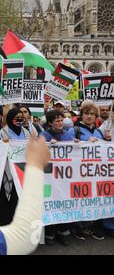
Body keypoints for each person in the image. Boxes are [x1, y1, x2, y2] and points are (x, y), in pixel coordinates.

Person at [66, 100, 106, 241]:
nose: (89, 116)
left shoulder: (99, 131)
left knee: (93, 199)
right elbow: (64, 149)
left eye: (92, 114)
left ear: (96, 117)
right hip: (78, 173)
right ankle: (78, 227)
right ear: (81, 115)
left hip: (95, 173)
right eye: (86, 113)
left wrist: (105, 142)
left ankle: (91, 226)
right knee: (79, 199)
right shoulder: (74, 130)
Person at [39, 110, 73, 246]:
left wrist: (76, 144)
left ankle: (62, 233)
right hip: (49, 178)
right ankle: (49, 234)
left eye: (61, 120)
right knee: (50, 204)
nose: (60, 123)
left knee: (63, 203)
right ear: (50, 123)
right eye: (57, 120)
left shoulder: (66, 135)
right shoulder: (44, 135)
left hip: (63, 177)